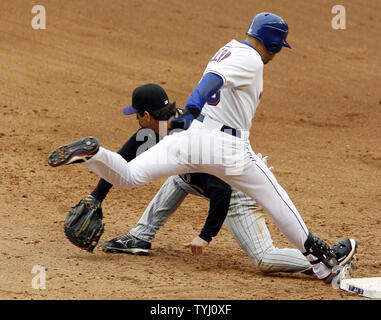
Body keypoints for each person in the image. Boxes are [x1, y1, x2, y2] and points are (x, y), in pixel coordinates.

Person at [48, 12, 357, 284]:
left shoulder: (227, 49)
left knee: (129, 176)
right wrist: (193, 107)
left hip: (193, 138)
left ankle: (94, 154)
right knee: (277, 200)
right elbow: (207, 84)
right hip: (228, 148)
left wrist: (192, 117)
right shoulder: (250, 58)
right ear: (274, 44)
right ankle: (324, 260)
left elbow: (211, 80)